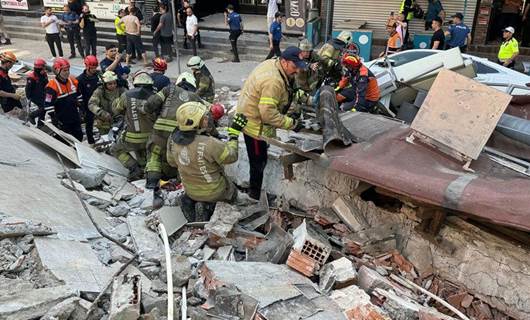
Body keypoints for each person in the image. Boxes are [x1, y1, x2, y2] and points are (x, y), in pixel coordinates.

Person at [236, 46, 306, 199]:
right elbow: (267, 114)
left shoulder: (275, 66)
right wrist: (291, 124)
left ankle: (256, 191)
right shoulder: (273, 81)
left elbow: (287, 90)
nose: (297, 71)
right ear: (284, 62)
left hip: (255, 118)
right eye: (294, 67)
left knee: (261, 157)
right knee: (258, 162)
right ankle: (254, 196)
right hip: (253, 126)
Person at [166, 101, 243, 221]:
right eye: (204, 117)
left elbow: (171, 162)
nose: (207, 119)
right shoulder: (210, 143)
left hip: (190, 190)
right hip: (215, 192)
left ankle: (193, 201)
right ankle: (210, 206)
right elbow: (232, 157)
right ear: (196, 123)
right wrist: (234, 136)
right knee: (232, 192)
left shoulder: (172, 140)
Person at [143, 72, 202, 188]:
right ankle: (182, 184)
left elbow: (151, 104)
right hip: (179, 134)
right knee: (181, 158)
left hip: (159, 130)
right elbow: (206, 119)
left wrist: (149, 111)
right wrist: (216, 134)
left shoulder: (169, 89)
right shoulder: (196, 98)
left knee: (155, 154)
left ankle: (151, 182)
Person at [111, 72, 156, 179]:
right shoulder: (155, 97)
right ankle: (147, 172)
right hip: (151, 138)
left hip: (131, 137)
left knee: (115, 149)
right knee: (145, 152)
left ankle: (134, 167)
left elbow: (116, 110)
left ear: (135, 84)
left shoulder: (126, 95)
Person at [45, 58, 83, 141]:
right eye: (64, 71)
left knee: (79, 137)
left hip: (74, 116)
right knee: (66, 140)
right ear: (57, 71)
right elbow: (48, 104)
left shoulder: (73, 81)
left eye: (68, 70)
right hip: (62, 119)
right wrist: (53, 118)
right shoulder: (52, 86)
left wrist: (81, 109)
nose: (67, 73)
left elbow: (79, 97)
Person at [88, 71, 126, 136]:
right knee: (106, 140)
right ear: (104, 84)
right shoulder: (99, 91)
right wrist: (101, 113)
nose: (113, 85)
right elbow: (91, 104)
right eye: (110, 84)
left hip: (119, 120)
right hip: (104, 122)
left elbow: (128, 99)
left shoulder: (121, 90)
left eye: (114, 83)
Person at [77, 55, 99, 145]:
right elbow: (79, 97)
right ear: (87, 66)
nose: (94, 70)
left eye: (95, 67)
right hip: (87, 106)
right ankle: (91, 141)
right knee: (89, 124)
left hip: (99, 104)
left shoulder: (98, 76)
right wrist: (82, 109)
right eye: (92, 68)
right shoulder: (80, 80)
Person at [26, 58, 49, 125]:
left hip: (42, 94)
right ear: (39, 69)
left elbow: (47, 84)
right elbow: (28, 89)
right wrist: (29, 98)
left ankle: (40, 124)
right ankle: (32, 115)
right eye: (43, 68)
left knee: (43, 109)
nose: (44, 69)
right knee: (44, 107)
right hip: (35, 96)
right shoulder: (32, 77)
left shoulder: (44, 74)